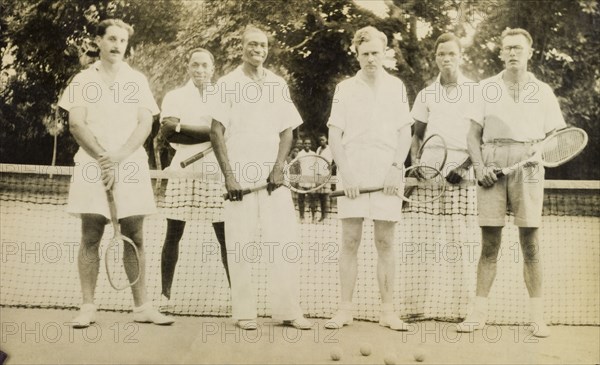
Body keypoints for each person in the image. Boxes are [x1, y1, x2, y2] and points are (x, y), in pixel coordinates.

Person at [59, 19, 173, 327]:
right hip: (91, 165)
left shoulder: (137, 80)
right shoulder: (83, 80)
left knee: (134, 236)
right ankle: (87, 307)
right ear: (98, 41)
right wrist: (103, 159)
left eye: (122, 41)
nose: (117, 45)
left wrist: (119, 158)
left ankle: (142, 307)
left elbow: (145, 124)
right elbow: (76, 124)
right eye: (111, 38)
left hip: (131, 166)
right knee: (91, 236)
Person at [459, 28, 566, 337]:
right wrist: (479, 168)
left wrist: (539, 151)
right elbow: (472, 135)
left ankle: (537, 317)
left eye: (519, 48)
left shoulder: (543, 91)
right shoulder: (485, 88)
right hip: (492, 162)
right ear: (501, 54)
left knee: (530, 244)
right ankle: (478, 315)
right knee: (489, 244)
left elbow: (555, 137)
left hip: (530, 166)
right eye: (508, 48)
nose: (513, 53)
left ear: (529, 52)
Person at [209, 25, 312, 331]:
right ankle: (244, 312)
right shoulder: (226, 84)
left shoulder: (278, 84)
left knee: (284, 242)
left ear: (268, 49)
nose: (258, 49)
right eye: (252, 44)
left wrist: (279, 167)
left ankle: (288, 311)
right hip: (239, 176)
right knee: (240, 245)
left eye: (263, 45)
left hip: (273, 179)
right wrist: (229, 177)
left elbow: (287, 131)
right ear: (242, 47)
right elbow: (216, 131)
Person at [325, 26, 412, 331]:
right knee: (349, 241)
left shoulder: (397, 87)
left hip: (388, 173)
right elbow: (334, 134)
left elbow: (405, 133)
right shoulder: (345, 89)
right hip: (353, 174)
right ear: (357, 55)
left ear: (384, 52)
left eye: (376, 53)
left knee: (385, 242)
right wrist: (345, 173)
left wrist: (395, 167)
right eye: (365, 54)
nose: (371, 59)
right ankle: (345, 309)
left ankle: (388, 311)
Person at [408, 33, 476, 318]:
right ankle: (414, 307)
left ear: (460, 56)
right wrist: (417, 165)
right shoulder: (426, 94)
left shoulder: (475, 90)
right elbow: (416, 136)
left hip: (462, 168)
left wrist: (463, 167)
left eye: (451, 53)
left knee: (459, 241)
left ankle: (464, 309)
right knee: (421, 240)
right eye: (441, 54)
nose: (446, 59)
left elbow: (481, 137)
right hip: (429, 168)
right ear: (435, 58)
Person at [158, 48, 230, 312]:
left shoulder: (223, 96)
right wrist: (212, 132)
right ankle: (165, 296)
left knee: (225, 236)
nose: (200, 70)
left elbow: (220, 131)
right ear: (188, 67)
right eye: (195, 65)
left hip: (215, 171)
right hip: (182, 170)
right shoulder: (175, 96)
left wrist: (182, 127)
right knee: (173, 234)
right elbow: (169, 134)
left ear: (213, 68)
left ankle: (238, 297)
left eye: (205, 65)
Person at [296, 138, 317, 222]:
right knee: (301, 199)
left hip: (311, 180)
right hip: (302, 180)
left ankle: (313, 217)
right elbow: (297, 167)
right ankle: (301, 217)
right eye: (305, 143)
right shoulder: (299, 154)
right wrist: (298, 179)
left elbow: (315, 167)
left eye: (309, 143)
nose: (307, 145)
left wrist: (314, 180)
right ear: (303, 144)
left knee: (313, 200)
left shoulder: (314, 154)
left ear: (310, 145)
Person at [315, 134, 333, 221]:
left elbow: (334, 161)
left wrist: (330, 169)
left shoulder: (330, 149)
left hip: (326, 175)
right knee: (320, 195)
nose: (321, 141)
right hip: (318, 175)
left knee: (326, 195)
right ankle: (322, 215)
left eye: (323, 139)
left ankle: (326, 216)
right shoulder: (318, 149)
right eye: (320, 140)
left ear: (326, 140)